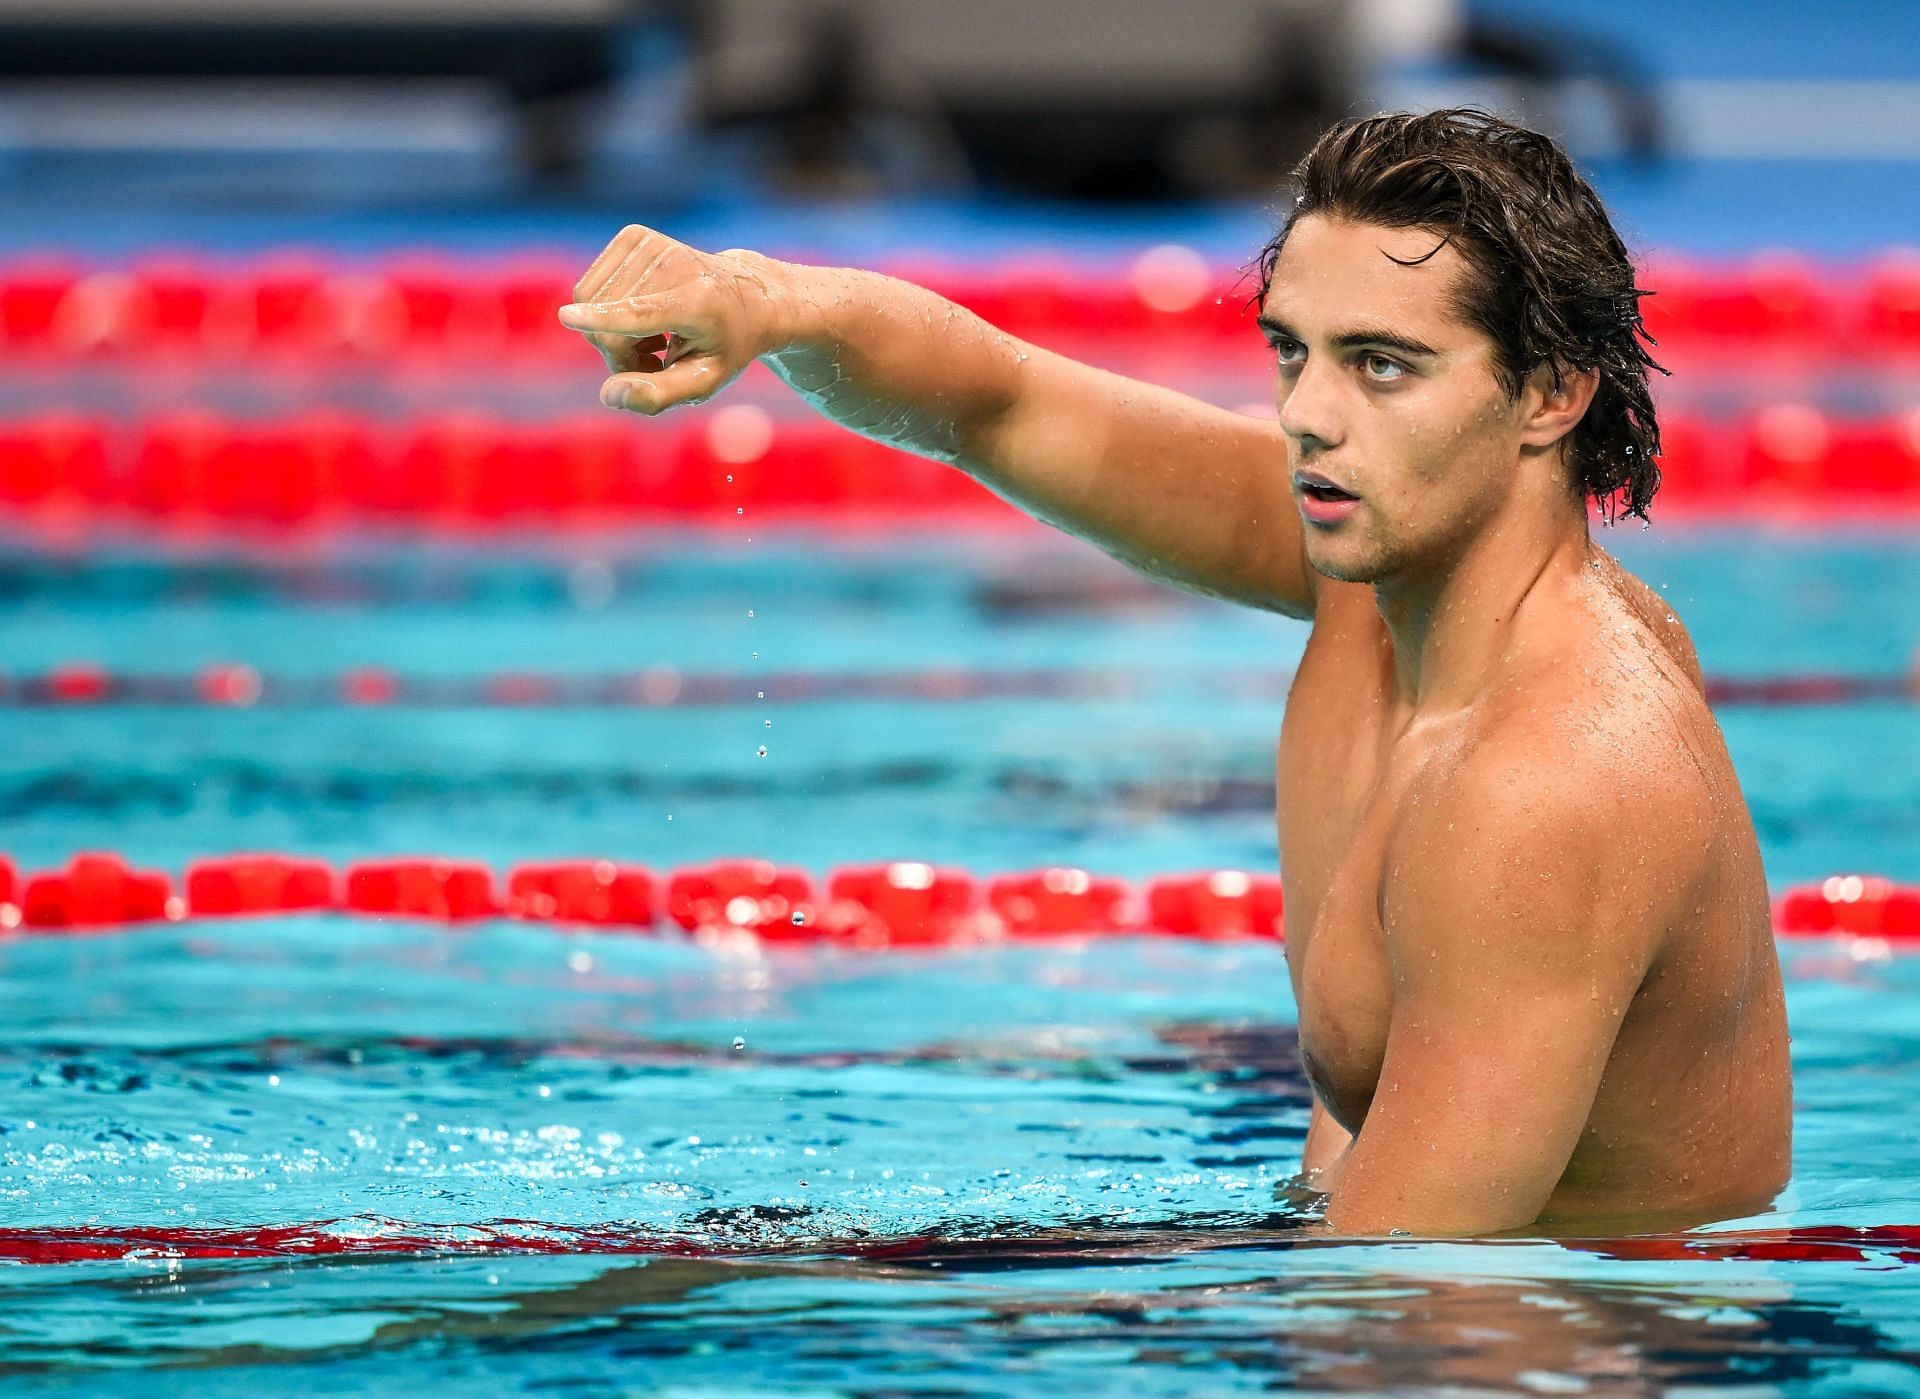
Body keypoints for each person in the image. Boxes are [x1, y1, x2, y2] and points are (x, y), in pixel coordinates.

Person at [557, 108, 1792, 1237]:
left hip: (1600, 1342)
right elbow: (994, 404)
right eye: (1292, 352)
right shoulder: (1374, 574)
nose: (1310, 413)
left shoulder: (1547, 784)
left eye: (1382, 365)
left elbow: (1409, 1302)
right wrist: (764, 299)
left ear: (1552, 392)